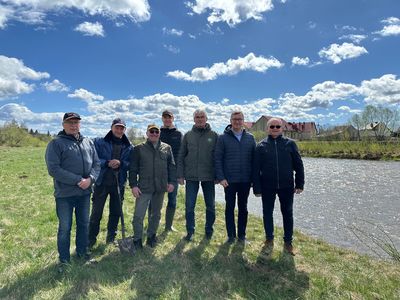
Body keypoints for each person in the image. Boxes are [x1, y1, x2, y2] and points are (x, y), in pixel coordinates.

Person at [45, 112, 100, 270]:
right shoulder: (56, 144)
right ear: (63, 124)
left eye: (76, 122)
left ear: (80, 124)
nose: (73, 125)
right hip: (65, 195)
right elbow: (54, 169)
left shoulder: (88, 142)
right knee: (65, 228)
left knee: (84, 224)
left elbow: (96, 164)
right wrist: (77, 180)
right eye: (70, 122)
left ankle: (82, 253)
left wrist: (90, 179)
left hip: (85, 193)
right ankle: (64, 260)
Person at [252, 117, 304, 255]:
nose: (275, 129)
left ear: (282, 128)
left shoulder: (291, 144)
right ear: (267, 129)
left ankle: (288, 242)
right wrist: (256, 188)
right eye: (272, 126)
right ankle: (269, 238)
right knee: (267, 213)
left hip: (287, 186)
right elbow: (255, 169)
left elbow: (299, 165)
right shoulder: (260, 146)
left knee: (287, 213)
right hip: (267, 186)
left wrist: (300, 184)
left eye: (277, 126)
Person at [129, 124, 176, 248]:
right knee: (138, 215)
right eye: (152, 131)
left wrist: (172, 182)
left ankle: (151, 237)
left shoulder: (167, 148)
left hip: (160, 187)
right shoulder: (139, 148)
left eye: (156, 132)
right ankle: (137, 239)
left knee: (156, 214)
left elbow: (171, 166)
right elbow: (133, 168)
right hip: (144, 187)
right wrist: (133, 185)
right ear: (147, 133)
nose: (154, 134)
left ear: (159, 133)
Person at [88, 118, 133, 248]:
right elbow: (93, 159)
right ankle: (91, 239)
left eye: (122, 128)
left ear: (124, 129)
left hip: (119, 183)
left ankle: (111, 238)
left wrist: (121, 163)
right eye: (117, 127)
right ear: (111, 127)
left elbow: (131, 163)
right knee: (96, 213)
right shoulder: (100, 142)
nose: (119, 130)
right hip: (102, 182)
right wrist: (107, 162)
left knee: (116, 212)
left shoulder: (129, 146)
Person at [214, 110, 256, 244]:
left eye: (240, 119)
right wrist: (221, 177)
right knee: (229, 208)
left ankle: (242, 236)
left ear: (243, 121)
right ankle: (231, 236)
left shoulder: (250, 138)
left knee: (243, 208)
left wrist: (254, 179)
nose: (237, 121)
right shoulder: (223, 138)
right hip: (229, 181)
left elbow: (255, 160)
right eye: (234, 119)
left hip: (245, 180)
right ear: (230, 121)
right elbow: (217, 159)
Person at [177, 109, 218, 241]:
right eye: (197, 117)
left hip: (209, 176)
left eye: (202, 117)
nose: (200, 119)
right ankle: (190, 231)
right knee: (189, 205)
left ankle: (209, 230)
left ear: (206, 118)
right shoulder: (188, 135)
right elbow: (181, 155)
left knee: (210, 205)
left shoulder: (214, 135)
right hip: (191, 176)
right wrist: (180, 175)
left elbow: (218, 157)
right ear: (194, 119)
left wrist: (218, 175)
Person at [159, 110, 182, 231]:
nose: (167, 120)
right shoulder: (158, 132)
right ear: (162, 119)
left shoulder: (178, 134)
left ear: (173, 118)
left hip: (174, 172)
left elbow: (181, 153)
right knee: (156, 199)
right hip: (159, 171)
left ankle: (169, 225)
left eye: (169, 117)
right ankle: (155, 221)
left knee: (172, 199)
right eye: (165, 117)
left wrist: (180, 173)